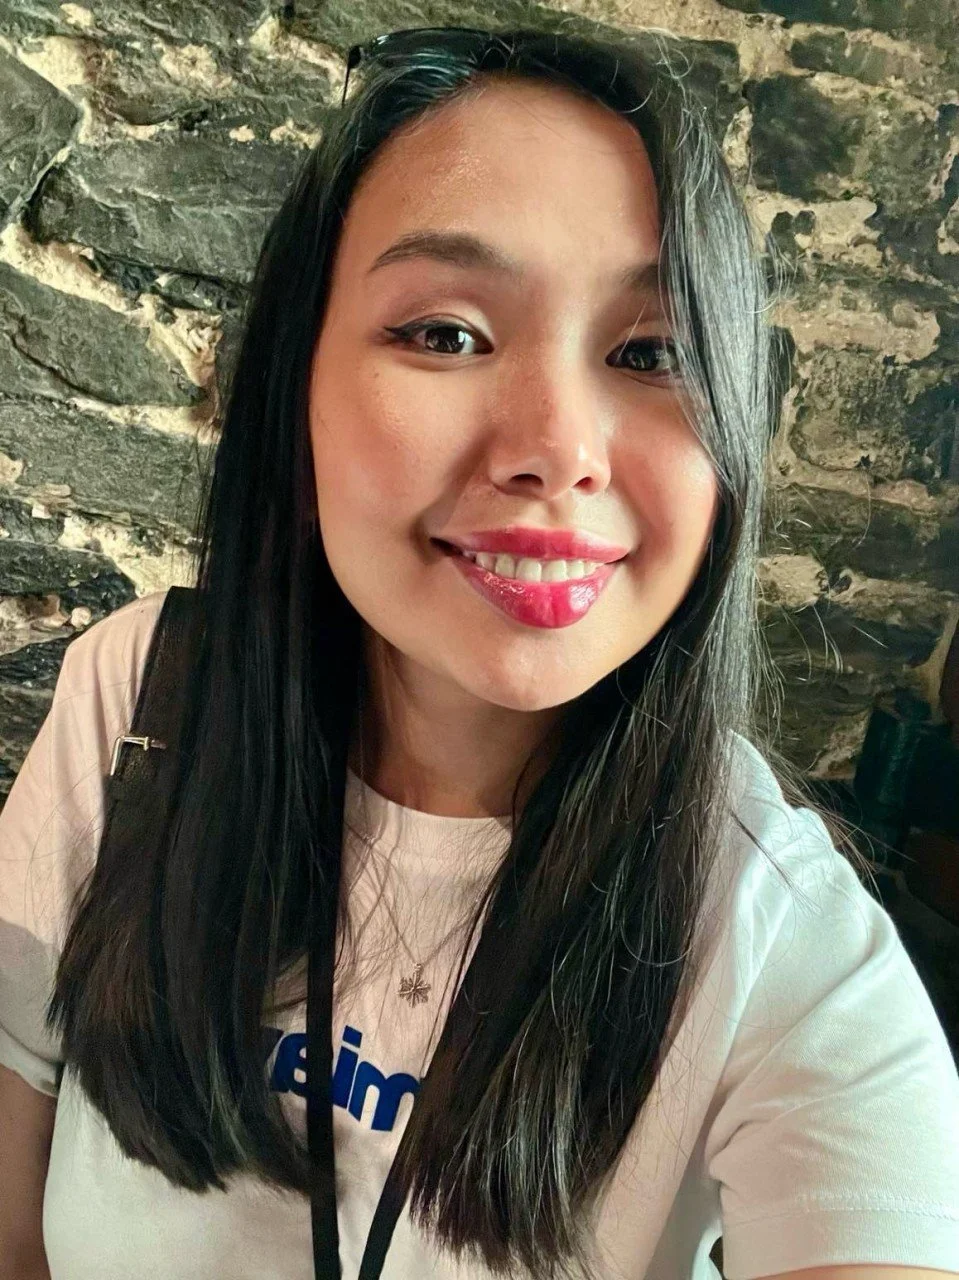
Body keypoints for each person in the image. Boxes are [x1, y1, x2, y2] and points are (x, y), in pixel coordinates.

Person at [1, 22, 958, 1280]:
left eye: (650, 353)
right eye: (446, 333)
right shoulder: (138, 701)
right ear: (294, 392)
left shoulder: (782, 938)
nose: (557, 447)